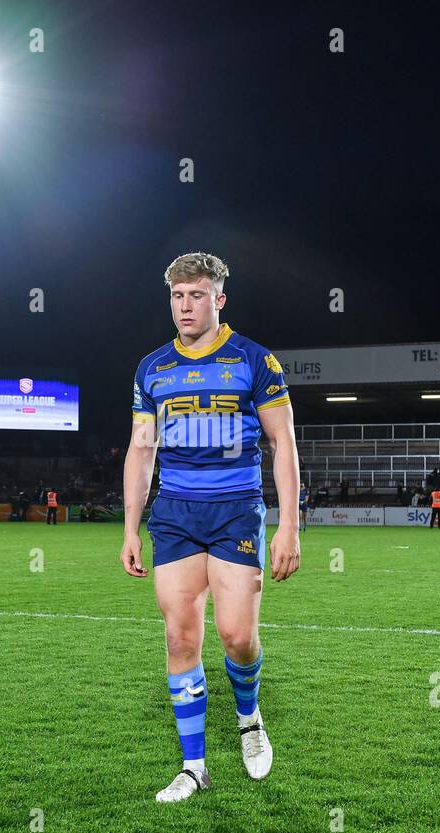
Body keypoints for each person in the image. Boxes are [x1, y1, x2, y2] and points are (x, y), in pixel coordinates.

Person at [121, 251, 299, 804]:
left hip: (235, 512)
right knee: (179, 636)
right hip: (174, 515)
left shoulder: (255, 361)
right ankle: (193, 766)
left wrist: (290, 524)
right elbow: (141, 448)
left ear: (219, 299)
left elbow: (283, 443)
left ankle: (249, 719)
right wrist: (130, 526)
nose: (185, 306)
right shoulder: (152, 368)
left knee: (238, 637)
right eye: (177, 296)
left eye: (196, 295)